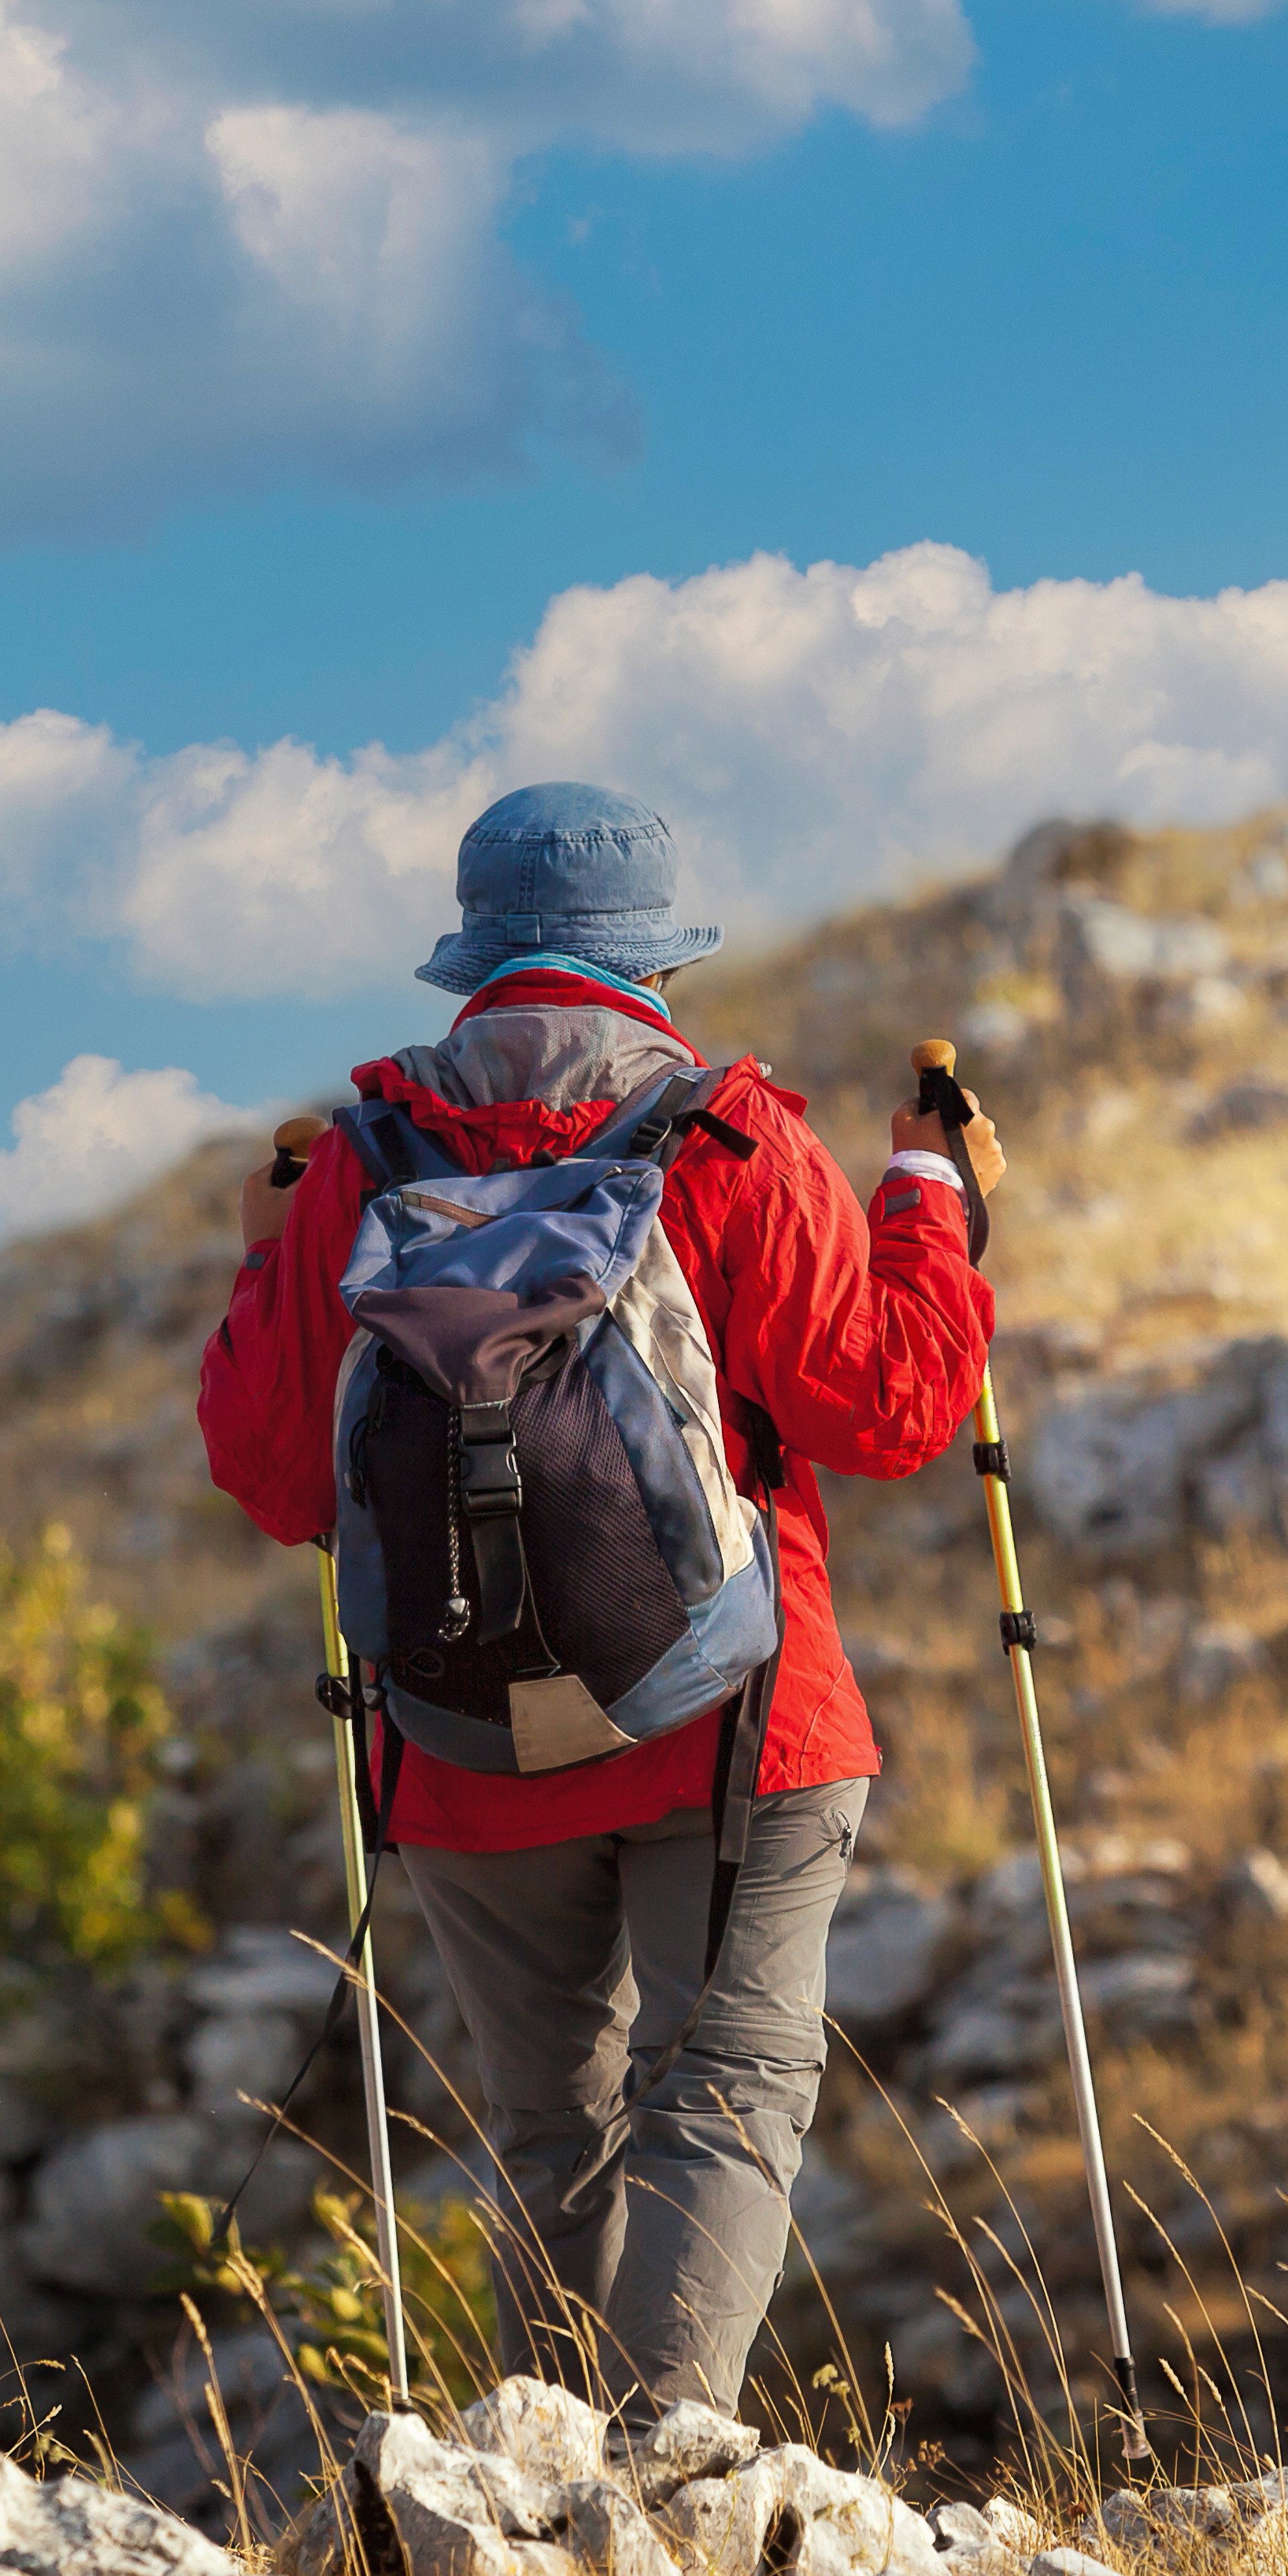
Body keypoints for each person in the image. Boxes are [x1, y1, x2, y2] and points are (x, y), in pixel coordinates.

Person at [194, 782, 998, 2417]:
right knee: (731, 2084)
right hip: (734, 1714)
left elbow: (280, 1478)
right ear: (655, 965)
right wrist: (930, 1196)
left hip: (465, 1735)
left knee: (550, 2129)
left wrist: (260, 1258)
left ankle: (543, 2489)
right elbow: (895, 1405)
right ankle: (654, 2483)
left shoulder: (355, 1160)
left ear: (474, 959)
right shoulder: (727, 1132)